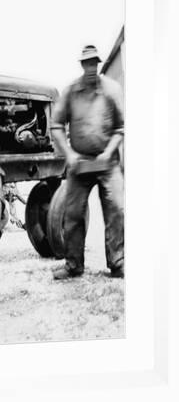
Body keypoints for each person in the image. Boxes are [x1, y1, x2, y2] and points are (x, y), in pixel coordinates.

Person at [51, 45, 124, 280]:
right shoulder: (71, 91)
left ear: (99, 64)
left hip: (108, 162)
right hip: (80, 163)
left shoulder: (112, 89)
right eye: (87, 63)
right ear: (82, 65)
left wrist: (108, 151)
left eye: (94, 63)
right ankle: (73, 265)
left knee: (117, 210)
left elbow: (121, 128)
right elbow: (56, 126)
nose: (91, 67)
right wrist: (69, 154)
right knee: (72, 213)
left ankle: (117, 262)